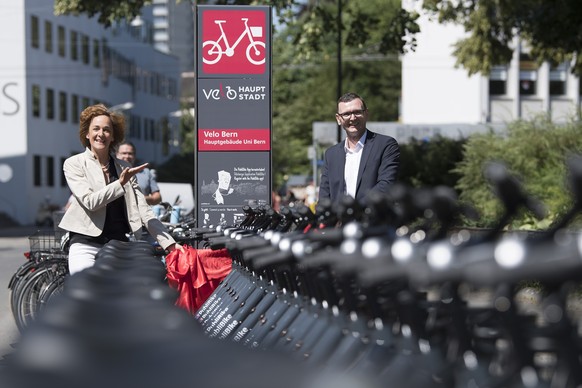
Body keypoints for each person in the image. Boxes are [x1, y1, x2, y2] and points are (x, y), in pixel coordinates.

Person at [59, 103, 182, 275]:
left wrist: (169, 243)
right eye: (96, 129)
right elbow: (90, 202)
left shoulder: (123, 166)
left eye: (106, 130)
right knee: (88, 294)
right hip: (85, 244)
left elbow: (144, 210)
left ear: (113, 137)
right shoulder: (74, 163)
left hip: (118, 245)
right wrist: (120, 184)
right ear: (87, 134)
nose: (101, 134)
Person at [318, 92, 400, 204]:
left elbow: (386, 185)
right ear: (338, 119)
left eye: (357, 112)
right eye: (346, 114)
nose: (352, 118)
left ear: (366, 114)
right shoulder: (331, 154)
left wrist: (354, 211)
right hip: (339, 221)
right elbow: (324, 195)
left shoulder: (385, 145)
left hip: (373, 219)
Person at [116, 141, 161, 206]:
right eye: (124, 153)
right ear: (117, 154)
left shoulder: (146, 173)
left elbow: (158, 198)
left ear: (134, 156)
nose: (127, 156)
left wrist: (140, 199)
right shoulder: (111, 172)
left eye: (130, 153)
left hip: (141, 213)